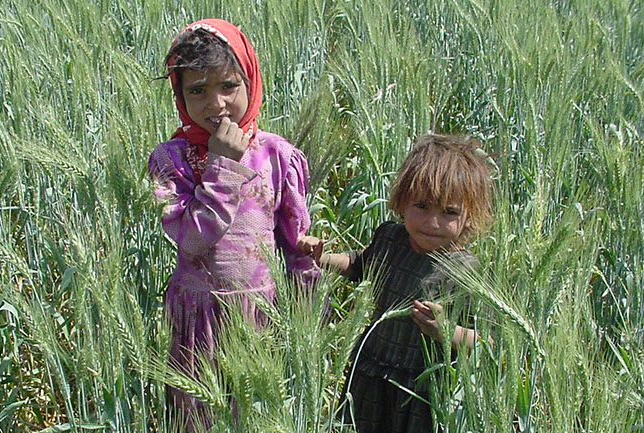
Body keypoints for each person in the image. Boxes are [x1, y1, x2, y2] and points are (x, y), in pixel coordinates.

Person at [147, 18, 318, 427]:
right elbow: (191, 240)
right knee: (199, 417)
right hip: (199, 316)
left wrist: (306, 298)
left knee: (255, 415)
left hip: (260, 312)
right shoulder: (170, 161)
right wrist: (223, 166)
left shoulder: (278, 155)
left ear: (251, 82)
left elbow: (294, 241)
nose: (216, 104)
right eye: (197, 91)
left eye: (228, 86)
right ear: (180, 95)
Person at [298, 133, 493, 433]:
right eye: (422, 206)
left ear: (470, 216)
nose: (433, 222)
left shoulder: (466, 271)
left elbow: (486, 342)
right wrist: (322, 258)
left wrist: (447, 331)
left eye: (449, 212)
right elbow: (361, 264)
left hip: (422, 391)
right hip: (370, 374)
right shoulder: (391, 237)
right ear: (401, 201)